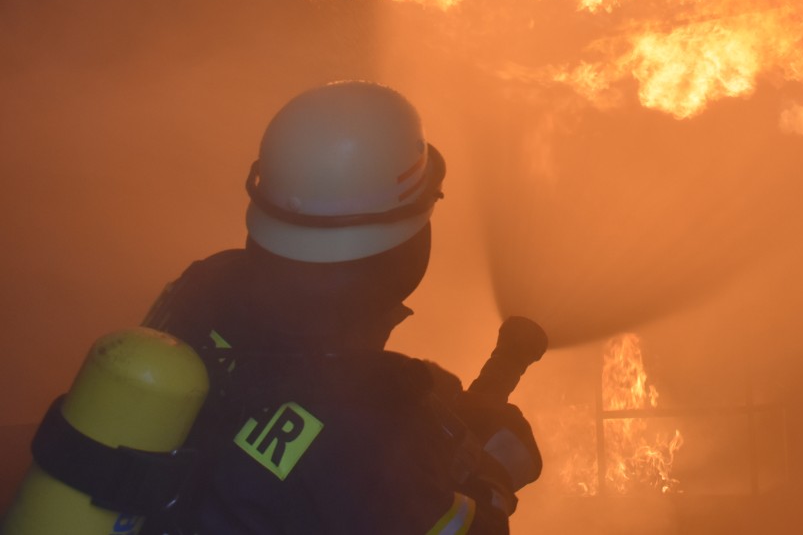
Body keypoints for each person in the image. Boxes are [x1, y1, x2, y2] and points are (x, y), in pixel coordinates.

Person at [141, 81, 540, 535]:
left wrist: (423, 419)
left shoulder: (208, 284)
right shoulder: (370, 426)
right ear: (404, 246)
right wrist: (497, 477)